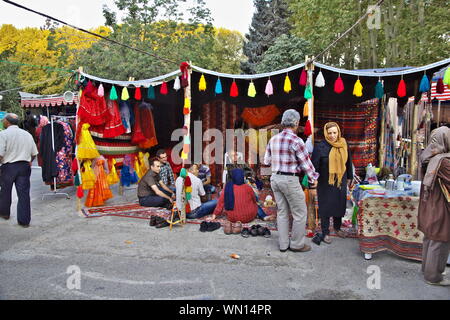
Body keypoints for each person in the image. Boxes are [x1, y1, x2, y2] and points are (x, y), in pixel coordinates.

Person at [264, 109, 318, 253]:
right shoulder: (296, 140)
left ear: (283, 122)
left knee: (282, 211)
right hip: (289, 179)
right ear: (296, 123)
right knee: (300, 212)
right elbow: (306, 164)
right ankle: (297, 244)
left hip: (275, 178)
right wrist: (313, 178)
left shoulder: (273, 139)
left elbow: (266, 160)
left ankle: (283, 245)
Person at [311, 122, 353, 244]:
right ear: (325, 133)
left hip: (340, 180)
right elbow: (314, 166)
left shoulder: (343, 144)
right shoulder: (320, 147)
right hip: (325, 181)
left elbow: (348, 162)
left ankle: (337, 228)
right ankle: (325, 232)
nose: (332, 135)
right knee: (325, 206)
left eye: (334, 132)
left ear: (338, 132)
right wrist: (313, 183)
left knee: (339, 204)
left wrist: (349, 177)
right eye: (329, 133)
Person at [418, 126, 450, 286]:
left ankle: (427, 270)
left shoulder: (427, 155)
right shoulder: (443, 161)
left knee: (430, 237)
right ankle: (434, 277)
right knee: (440, 239)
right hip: (440, 204)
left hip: (428, 202)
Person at [0, 113, 39, 227]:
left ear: (7, 122)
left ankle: (5, 213)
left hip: (8, 166)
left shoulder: (3, 134)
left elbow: (0, 154)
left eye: (3, 120)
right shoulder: (26, 134)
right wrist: (29, 161)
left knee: (5, 191)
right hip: (24, 166)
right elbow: (34, 153)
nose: (2, 122)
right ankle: (24, 221)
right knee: (24, 194)